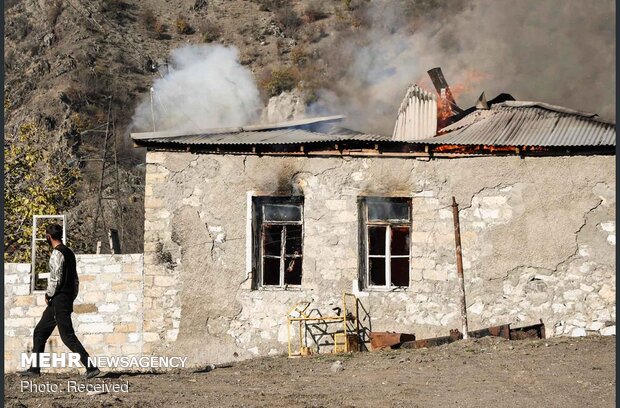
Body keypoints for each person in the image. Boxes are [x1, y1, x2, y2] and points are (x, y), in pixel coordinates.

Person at [18, 223, 100, 379]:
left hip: (58, 299)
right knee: (40, 331)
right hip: (63, 299)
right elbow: (75, 280)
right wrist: (70, 297)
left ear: (48, 237)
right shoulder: (69, 252)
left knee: (67, 336)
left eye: (46, 236)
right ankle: (34, 369)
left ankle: (91, 367)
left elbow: (55, 279)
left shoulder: (57, 254)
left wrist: (48, 295)